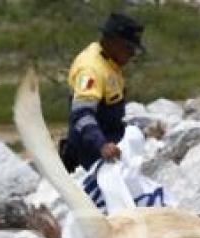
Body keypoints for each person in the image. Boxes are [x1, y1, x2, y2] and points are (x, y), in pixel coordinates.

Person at [60, 12, 144, 173]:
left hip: (111, 146)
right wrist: (101, 145)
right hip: (90, 153)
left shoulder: (111, 62)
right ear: (112, 42)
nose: (132, 54)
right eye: (129, 47)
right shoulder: (91, 69)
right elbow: (81, 114)